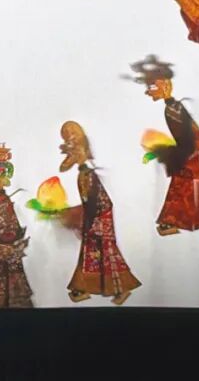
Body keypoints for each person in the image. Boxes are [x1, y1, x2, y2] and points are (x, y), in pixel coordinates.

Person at [129, 55, 199, 238]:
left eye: (154, 87)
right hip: (191, 151)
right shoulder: (173, 108)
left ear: (165, 86)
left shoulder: (174, 108)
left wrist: (181, 153)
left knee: (192, 187)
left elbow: (189, 132)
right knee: (188, 188)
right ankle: (186, 222)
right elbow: (189, 132)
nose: (150, 92)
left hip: (192, 152)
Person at [59, 121, 141, 305]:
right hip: (95, 215)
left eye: (77, 149)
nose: (75, 153)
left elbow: (98, 201)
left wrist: (91, 219)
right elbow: (87, 200)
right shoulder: (84, 175)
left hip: (100, 215)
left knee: (105, 251)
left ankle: (118, 289)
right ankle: (83, 288)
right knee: (92, 252)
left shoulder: (88, 175)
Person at [0, 143, 34, 308]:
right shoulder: (0, 200)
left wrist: (3, 245)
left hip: (4, 255)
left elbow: (9, 229)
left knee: (5, 290)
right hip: (6, 252)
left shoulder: (0, 201)